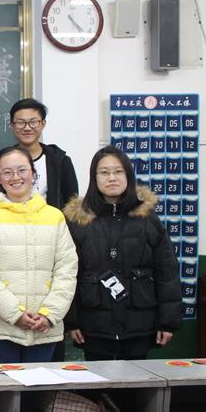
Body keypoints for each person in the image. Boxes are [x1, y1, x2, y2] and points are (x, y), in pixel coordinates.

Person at [64, 146, 181, 361]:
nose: (112, 178)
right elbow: (68, 274)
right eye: (104, 172)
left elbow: (167, 272)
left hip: (139, 324)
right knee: (98, 382)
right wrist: (72, 322)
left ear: (128, 175)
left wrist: (167, 322)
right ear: (94, 178)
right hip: (94, 325)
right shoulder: (78, 222)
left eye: (118, 171)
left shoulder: (148, 219)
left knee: (137, 381)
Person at [0, 146, 77, 364]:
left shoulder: (54, 217)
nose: (15, 177)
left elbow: (67, 269)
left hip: (44, 327)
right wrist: (15, 314)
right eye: (7, 172)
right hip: (0, 328)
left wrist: (50, 314)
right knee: (3, 384)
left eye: (22, 170)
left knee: (38, 385)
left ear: (33, 173)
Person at [0, 98, 79, 210]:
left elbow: (71, 203)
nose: (27, 128)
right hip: (9, 219)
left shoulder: (60, 161)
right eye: (20, 123)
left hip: (50, 220)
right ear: (12, 125)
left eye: (33, 122)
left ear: (43, 124)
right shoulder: (0, 160)